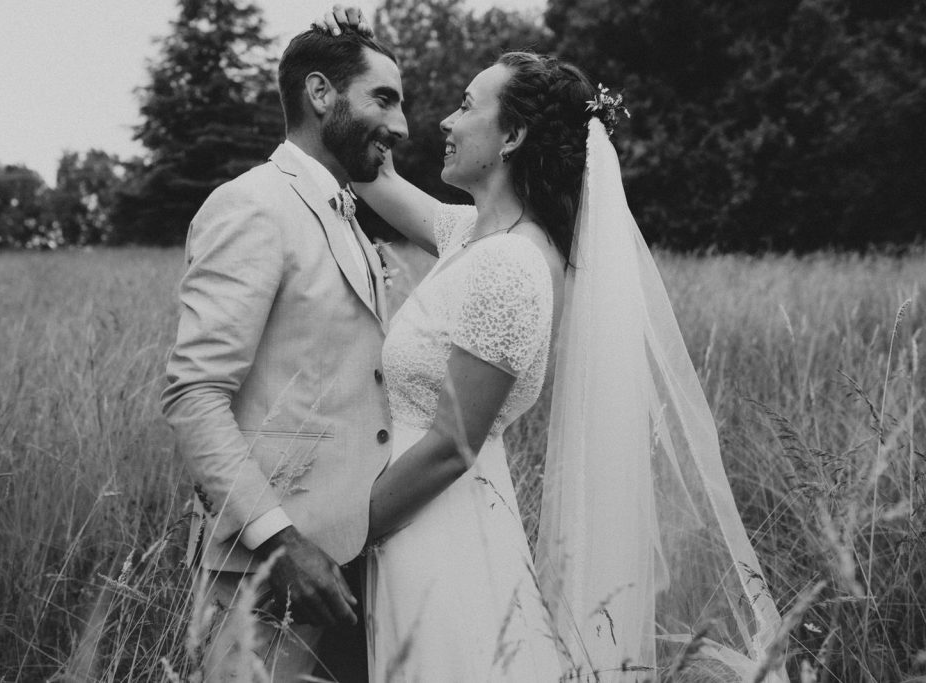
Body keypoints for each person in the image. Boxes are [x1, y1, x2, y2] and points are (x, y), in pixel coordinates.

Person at [323, 9, 787, 682]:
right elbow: (372, 176)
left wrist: (337, 537)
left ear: (511, 134)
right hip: (414, 524)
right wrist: (354, 65)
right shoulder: (471, 234)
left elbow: (453, 445)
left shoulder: (511, 265)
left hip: (435, 537)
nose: (445, 123)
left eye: (464, 105)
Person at [160, 16, 406, 682]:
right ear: (320, 94)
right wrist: (279, 538)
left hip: (354, 568)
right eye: (383, 98)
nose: (403, 124)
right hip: (265, 575)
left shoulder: (349, 217)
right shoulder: (251, 206)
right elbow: (194, 393)